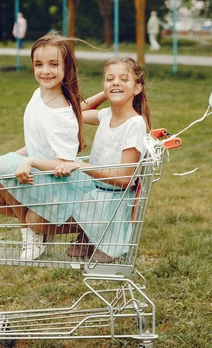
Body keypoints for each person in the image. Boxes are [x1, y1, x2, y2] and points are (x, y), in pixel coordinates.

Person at [0, 32, 86, 261]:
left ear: (66, 67)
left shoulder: (63, 115)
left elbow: (66, 164)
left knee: (4, 174)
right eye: (39, 64)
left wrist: (29, 162)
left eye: (53, 64)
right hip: (35, 179)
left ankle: (33, 231)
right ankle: (32, 228)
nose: (45, 71)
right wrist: (8, 159)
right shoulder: (38, 95)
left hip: (55, 183)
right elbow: (34, 145)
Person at [53, 56, 151, 263]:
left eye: (124, 79)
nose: (115, 82)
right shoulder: (105, 115)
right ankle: (90, 232)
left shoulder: (134, 124)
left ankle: (101, 235)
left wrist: (83, 166)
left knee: (101, 260)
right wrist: (107, 94)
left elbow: (125, 179)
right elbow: (76, 112)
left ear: (137, 88)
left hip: (114, 199)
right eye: (109, 79)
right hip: (95, 191)